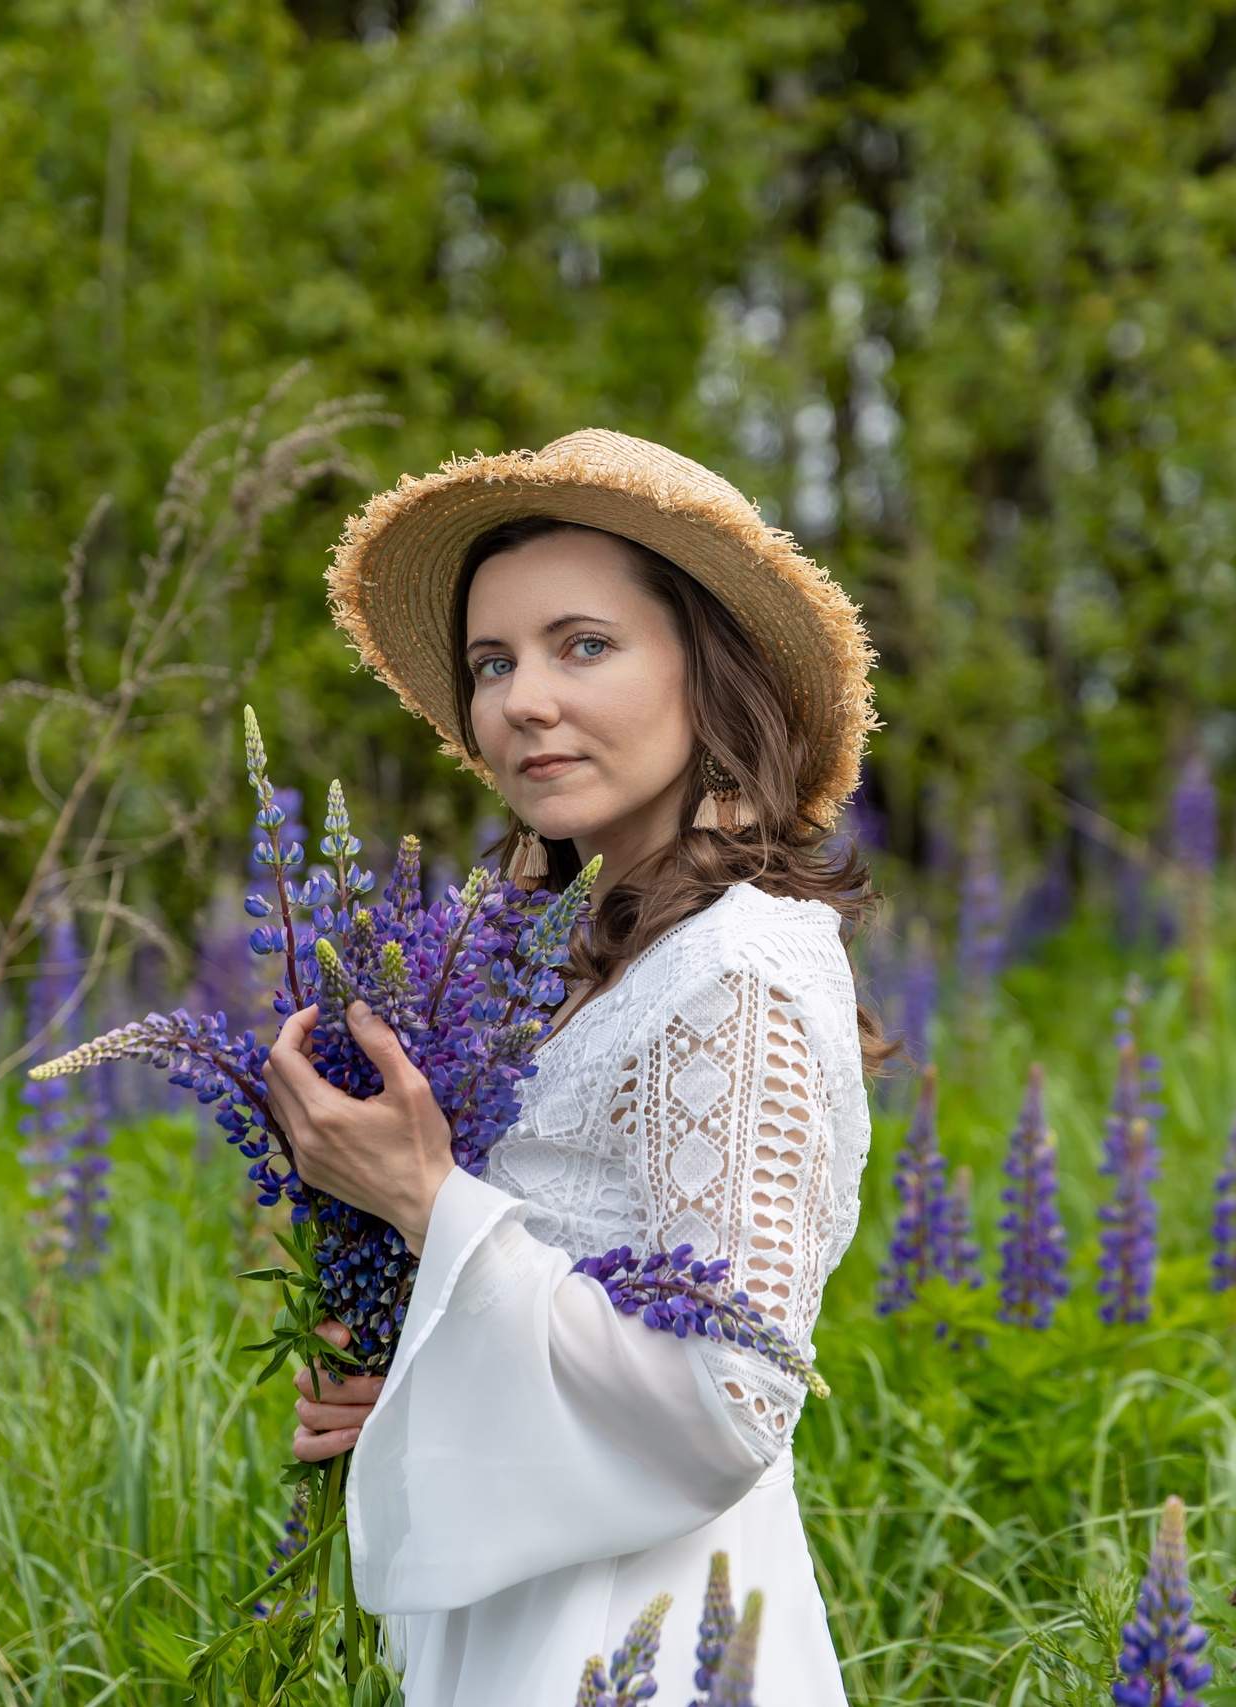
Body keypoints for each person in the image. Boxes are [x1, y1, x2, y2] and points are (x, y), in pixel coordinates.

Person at [257, 430, 885, 1705]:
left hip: (655, 1626)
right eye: (493, 663)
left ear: (710, 676)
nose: (520, 701)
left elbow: (728, 1400)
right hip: (529, 1598)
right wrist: (406, 1392)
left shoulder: (743, 966)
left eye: (583, 645)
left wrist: (423, 1201)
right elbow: (551, 1300)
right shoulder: (563, 967)